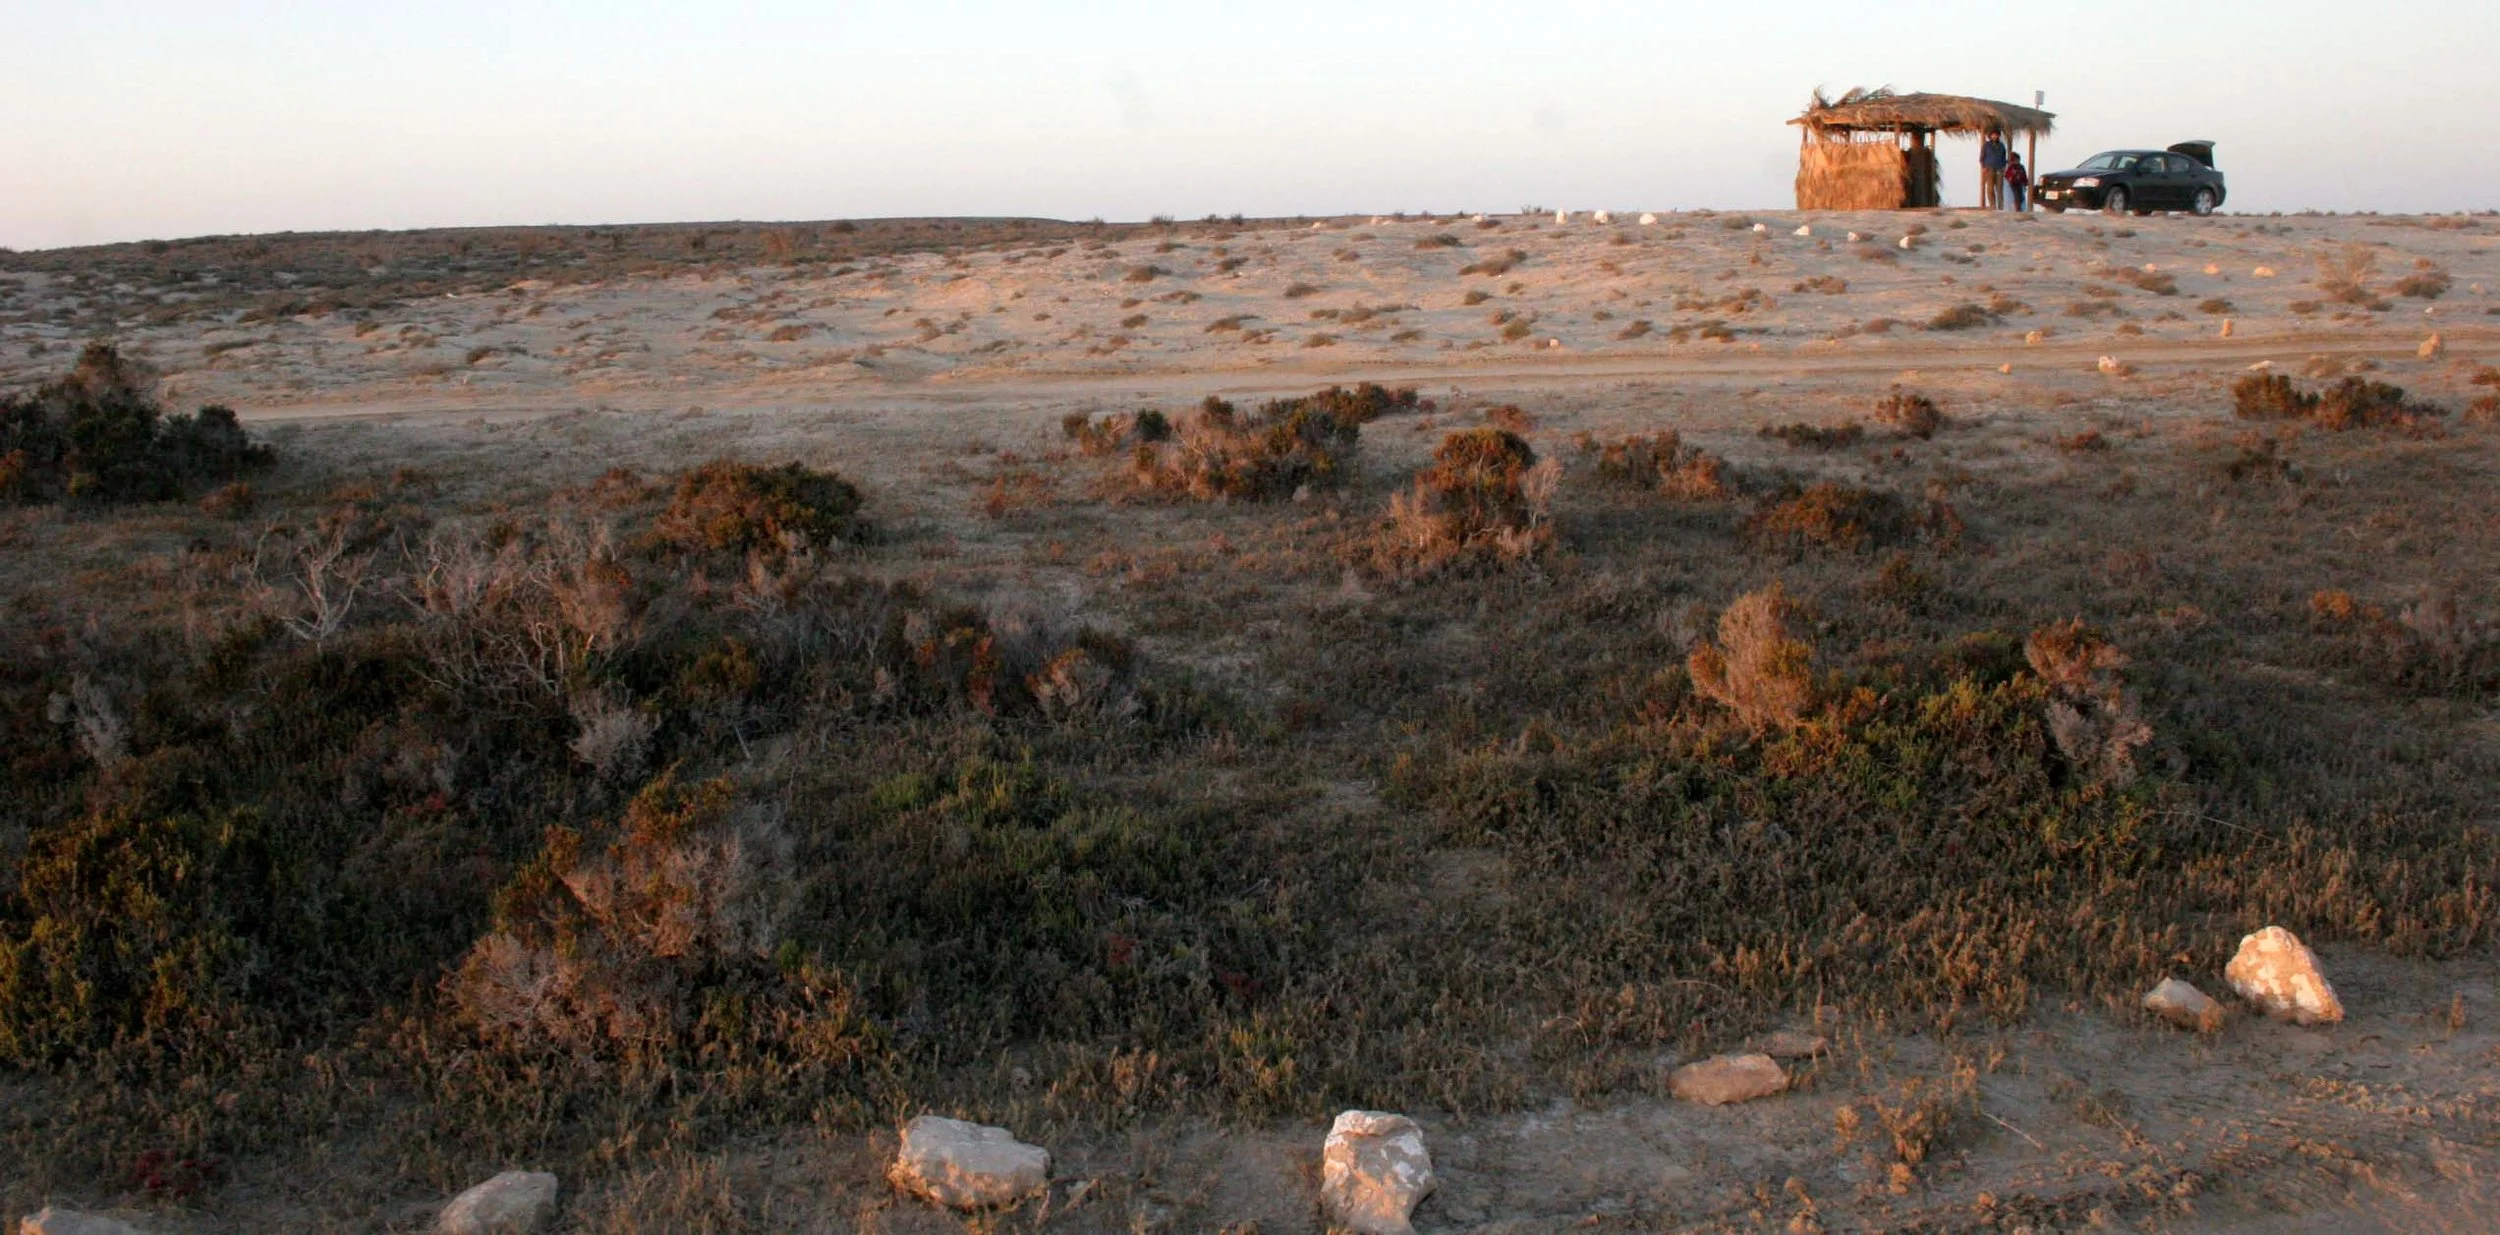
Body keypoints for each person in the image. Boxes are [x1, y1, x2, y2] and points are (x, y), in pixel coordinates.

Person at [1978, 130, 2009, 210]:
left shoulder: (2002, 146)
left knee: (1999, 189)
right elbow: (1981, 158)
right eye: (1993, 135)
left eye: (1996, 135)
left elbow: (2004, 158)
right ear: (1990, 136)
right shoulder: (1986, 145)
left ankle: (2000, 207)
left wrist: (2003, 167)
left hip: (1999, 168)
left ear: (1998, 136)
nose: (1995, 136)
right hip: (1989, 168)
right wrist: (1983, 167)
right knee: (1990, 188)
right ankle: (1993, 205)